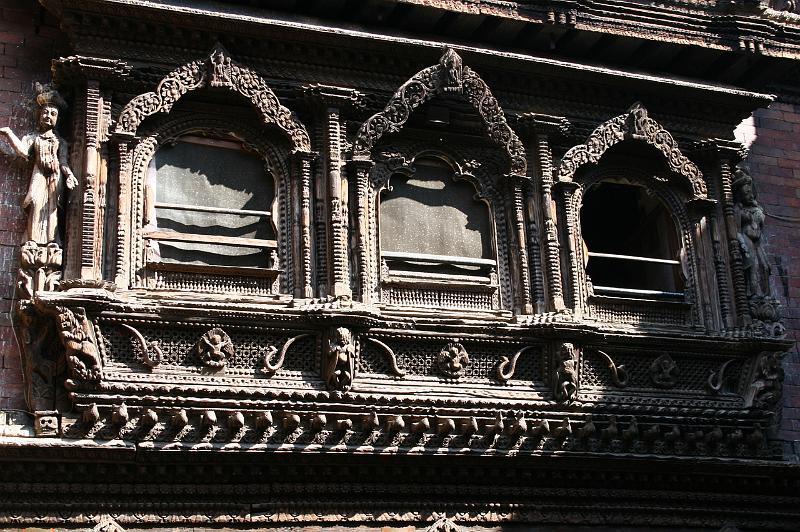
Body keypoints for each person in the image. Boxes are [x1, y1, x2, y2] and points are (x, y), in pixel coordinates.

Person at [0, 86, 77, 245]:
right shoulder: (33, 138)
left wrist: (69, 175)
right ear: (39, 115)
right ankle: (33, 239)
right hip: (39, 173)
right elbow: (23, 152)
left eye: (53, 114)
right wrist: (8, 133)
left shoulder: (60, 141)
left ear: (57, 119)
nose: (48, 116)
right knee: (34, 201)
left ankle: (52, 240)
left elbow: (63, 162)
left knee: (52, 207)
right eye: (45, 113)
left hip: (55, 176)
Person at [733, 165, 770, 297]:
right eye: (746, 193)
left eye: (750, 193)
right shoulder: (738, 209)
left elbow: (760, 223)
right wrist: (742, 245)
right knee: (752, 268)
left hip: (757, 243)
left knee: (764, 267)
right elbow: (736, 230)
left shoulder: (756, 208)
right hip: (747, 241)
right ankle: (752, 293)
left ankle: (764, 294)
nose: (749, 195)